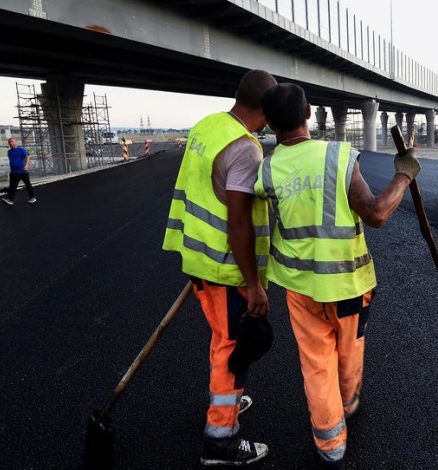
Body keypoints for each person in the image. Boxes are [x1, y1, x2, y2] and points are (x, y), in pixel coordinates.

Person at [254, 83, 421, 469]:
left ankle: (331, 446)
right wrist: (404, 175)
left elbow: (241, 194)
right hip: (349, 286)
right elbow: (377, 213)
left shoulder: (268, 169)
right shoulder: (338, 156)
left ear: (271, 125)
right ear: (309, 113)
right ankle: (349, 405)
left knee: (316, 363)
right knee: (350, 351)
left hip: (300, 288)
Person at [162, 69, 276, 467]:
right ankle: (220, 440)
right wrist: (254, 284)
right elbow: (239, 221)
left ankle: (225, 399)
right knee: (236, 347)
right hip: (226, 269)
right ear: (264, 109)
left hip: (196, 257)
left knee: (222, 339)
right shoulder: (245, 148)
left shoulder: (207, 126)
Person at [2, 138, 36, 205]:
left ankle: (32, 198)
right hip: (14, 172)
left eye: (12, 141)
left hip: (23, 172)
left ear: (16, 142)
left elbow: (27, 157)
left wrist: (26, 165)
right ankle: (10, 200)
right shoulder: (9, 152)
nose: (10, 143)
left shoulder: (21, 149)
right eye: (9, 142)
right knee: (12, 186)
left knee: (28, 185)